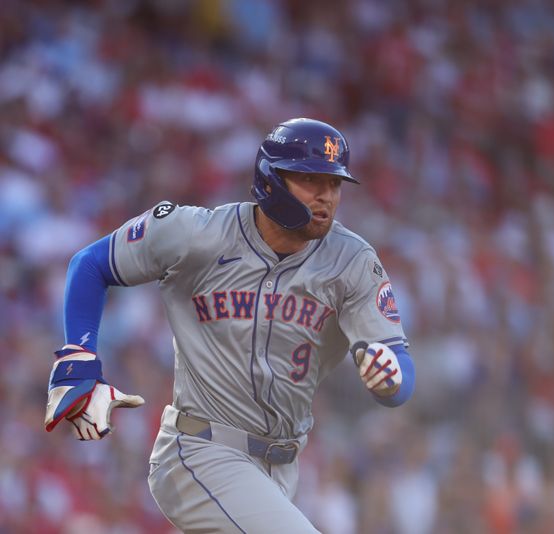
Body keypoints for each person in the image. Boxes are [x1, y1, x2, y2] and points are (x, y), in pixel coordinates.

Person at [44, 118, 416, 532]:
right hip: (199, 451)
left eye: (334, 184)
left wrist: (390, 379)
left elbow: (398, 368)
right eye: (311, 180)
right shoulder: (196, 234)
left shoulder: (352, 262)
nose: (326, 196)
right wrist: (80, 353)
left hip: (281, 469)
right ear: (270, 179)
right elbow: (91, 264)